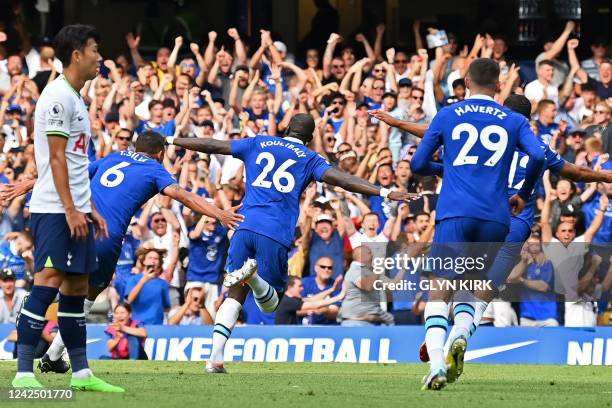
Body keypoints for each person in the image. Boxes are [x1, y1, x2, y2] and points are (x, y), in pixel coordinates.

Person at [374, 94, 612, 383]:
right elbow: (575, 172)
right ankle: (459, 337)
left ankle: (441, 340)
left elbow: (435, 131)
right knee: (481, 293)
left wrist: (399, 123)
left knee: (446, 286)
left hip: (485, 214)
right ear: (530, 119)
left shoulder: (490, 136)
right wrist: (603, 176)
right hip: (515, 228)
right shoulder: (537, 146)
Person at [170, 112, 414, 373]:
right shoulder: (309, 158)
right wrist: (385, 191)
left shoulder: (259, 142)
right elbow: (345, 180)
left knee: (234, 295)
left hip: (243, 224)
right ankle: (252, 280)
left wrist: (173, 139)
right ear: (309, 139)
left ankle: (214, 360)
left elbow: (213, 145)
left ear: (286, 128)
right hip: (274, 232)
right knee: (272, 302)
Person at [3, 131, 242, 373]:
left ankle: (50, 344)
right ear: (160, 154)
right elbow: (184, 196)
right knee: (86, 297)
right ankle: (49, 335)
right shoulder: (154, 169)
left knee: (69, 285)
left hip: (75, 225)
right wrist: (219, 214)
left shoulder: (111, 158)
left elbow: (68, 176)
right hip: (106, 236)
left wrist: (26, 185)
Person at [409, 58, 546, 390]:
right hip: (497, 218)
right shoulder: (513, 120)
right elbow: (539, 156)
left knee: (439, 289)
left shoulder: (448, 114)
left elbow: (417, 163)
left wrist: (451, 169)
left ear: (466, 82)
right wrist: (523, 194)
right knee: (471, 289)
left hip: (456, 212)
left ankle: (438, 363)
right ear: (499, 85)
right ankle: (460, 335)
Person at [11, 24, 123, 392]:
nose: (100, 57)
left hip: (74, 208)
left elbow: (75, 163)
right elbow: (56, 160)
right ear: (77, 54)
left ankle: (81, 374)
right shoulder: (58, 97)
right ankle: (24, 371)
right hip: (54, 210)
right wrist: (72, 209)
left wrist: (88, 207)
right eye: (95, 49)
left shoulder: (76, 97)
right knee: (46, 285)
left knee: (76, 288)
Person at [274, 275, 344, 325]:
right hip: (284, 335)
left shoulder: (288, 299)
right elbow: (314, 305)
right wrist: (339, 297)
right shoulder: (287, 301)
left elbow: (312, 299)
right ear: (290, 287)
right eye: (299, 286)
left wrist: (332, 289)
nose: (302, 289)